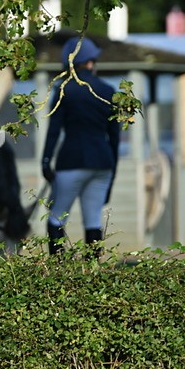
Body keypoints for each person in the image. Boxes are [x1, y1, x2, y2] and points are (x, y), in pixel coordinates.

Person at [41, 37, 122, 257]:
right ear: (90, 62)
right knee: (93, 219)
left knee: (56, 217)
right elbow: (114, 137)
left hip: (72, 160)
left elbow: (54, 130)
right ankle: (92, 273)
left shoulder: (64, 90)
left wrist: (46, 161)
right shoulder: (108, 91)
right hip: (103, 162)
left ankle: (58, 271)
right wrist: (112, 171)